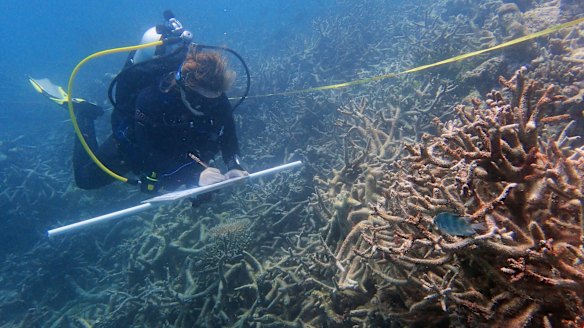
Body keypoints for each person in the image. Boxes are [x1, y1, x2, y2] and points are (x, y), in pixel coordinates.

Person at [29, 44, 248, 194]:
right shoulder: (151, 98)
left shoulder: (215, 96)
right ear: (185, 89)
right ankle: (83, 114)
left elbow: (228, 132)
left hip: (179, 142)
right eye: (203, 101)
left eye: (215, 101)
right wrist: (192, 175)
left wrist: (234, 164)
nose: (210, 107)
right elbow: (146, 150)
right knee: (85, 180)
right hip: (137, 143)